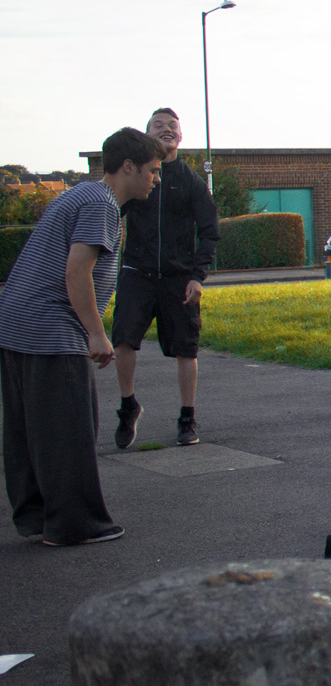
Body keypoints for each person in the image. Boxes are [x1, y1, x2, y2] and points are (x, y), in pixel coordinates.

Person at [0, 127, 166, 546]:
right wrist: (95, 333)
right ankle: (74, 525)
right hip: (50, 327)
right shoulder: (100, 202)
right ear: (127, 166)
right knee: (68, 427)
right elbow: (77, 270)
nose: (156, 178)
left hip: (18, 324)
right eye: (152, 170)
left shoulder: (78, 194)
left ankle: (37, 517)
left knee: (30, 429)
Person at [111, 107, 219, 448]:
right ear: (146, 136)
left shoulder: (191, 182)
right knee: (123, 340)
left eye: (172, 125)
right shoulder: (137, 177)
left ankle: (187, 418)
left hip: (178, 277)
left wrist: (197, 276)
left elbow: (209, 232)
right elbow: (111, 214)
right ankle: (128, 406)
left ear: (181, 137)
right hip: (137, 272)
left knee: (187, 349)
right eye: (158, 125)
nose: (166, 129)